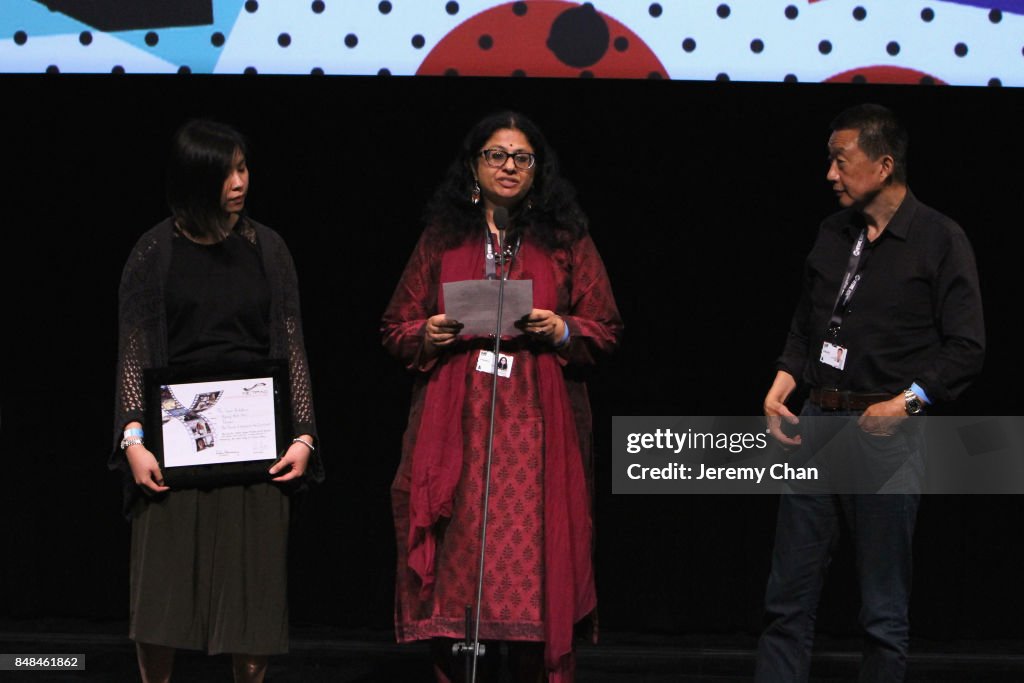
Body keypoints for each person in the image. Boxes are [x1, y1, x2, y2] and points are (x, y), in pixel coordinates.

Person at [382, 110, 623, 682]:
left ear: (538, 171)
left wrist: (560, 328)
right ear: (474, 166)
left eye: (521, 157)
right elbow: (395, 326)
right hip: (458, 422)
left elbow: (605, 327)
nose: (508, 167)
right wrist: (428, 333)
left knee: (533, 565)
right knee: (458, 565)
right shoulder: (443, 238)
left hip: (537, 426)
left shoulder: (565, 241)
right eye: (495, 155)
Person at [754, 103, 985, 682]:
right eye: (829, 159)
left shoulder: (938, 238)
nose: (830, 174)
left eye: (841, 160)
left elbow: (967, 347)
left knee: (882, 612)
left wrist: (906, 403)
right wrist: (783, 383)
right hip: (816, 425)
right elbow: (808, 326)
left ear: (883, 165)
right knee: (787, 602)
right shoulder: (832, 233)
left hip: (885, 433)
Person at [109, 119, 323, 683]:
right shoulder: (153, 252)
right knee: (162, 599)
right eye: (225, 170)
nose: (238, 181)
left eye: (243, 167)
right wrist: (132, 438)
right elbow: (133, 353)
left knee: (252, 603)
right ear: (194, 178)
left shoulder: (268, 248)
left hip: (254, 441)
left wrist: (303, 435)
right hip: (174, 444)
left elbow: (292, 344)